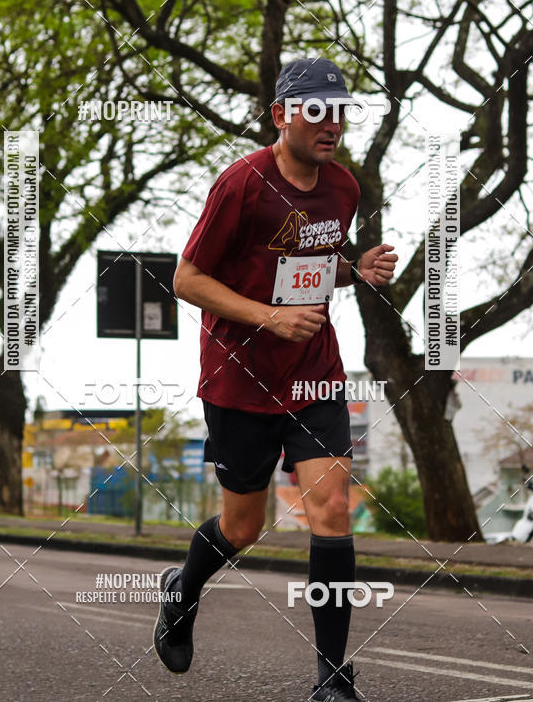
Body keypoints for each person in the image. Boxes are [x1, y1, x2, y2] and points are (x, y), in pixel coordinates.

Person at [153, 57, 397, 700]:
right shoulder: (242, 184)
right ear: (282, 116)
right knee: (243, 528)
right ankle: (182, 588)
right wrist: (269, 317)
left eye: (339, 112)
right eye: (316, 111)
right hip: (240, 380)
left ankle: (333, 680)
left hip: (314, 373)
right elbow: (187, 279)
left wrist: (355, 269)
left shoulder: (343, 188)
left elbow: (312, 265)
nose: (331, 123)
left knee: (332, 510)